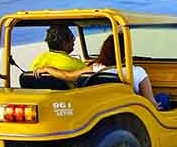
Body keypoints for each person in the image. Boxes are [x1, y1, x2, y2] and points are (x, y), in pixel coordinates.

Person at [33, 35, 164, 109]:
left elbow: (66, 76)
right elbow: (151, 103)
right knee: (163, 98)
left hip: (105, 108)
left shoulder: (95, 68)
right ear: (126, 52)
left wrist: (47, 69)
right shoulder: (137, 72)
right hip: (134, 109)